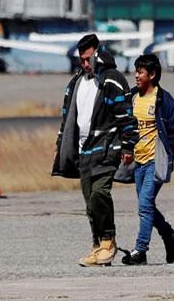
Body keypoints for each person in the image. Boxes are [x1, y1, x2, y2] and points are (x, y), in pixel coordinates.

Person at [52, 33, 137, 267]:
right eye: (82, 59)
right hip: (83, 152)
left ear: (98, 53)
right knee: (90, 202)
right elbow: (66, 117)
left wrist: (128, 145)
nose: (85, 64)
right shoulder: (76, 82)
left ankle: (109, 241)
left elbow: (126, 116)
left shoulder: (112, 79)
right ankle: (97, 244)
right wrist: (61, 145)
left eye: (88, 59)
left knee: (100, 193)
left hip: (107, 148)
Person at [120, 54, 174, 266]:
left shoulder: (164, 101)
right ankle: (170, 235)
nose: (136, 75)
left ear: (153, 74)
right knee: (146, 205)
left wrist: (169, 155)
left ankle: (140, 250)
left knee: (145, 205)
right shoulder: (132, 98)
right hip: (137, 162)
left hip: (156, 162)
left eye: (140, 72)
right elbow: (123, 126)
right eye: (136, 71)